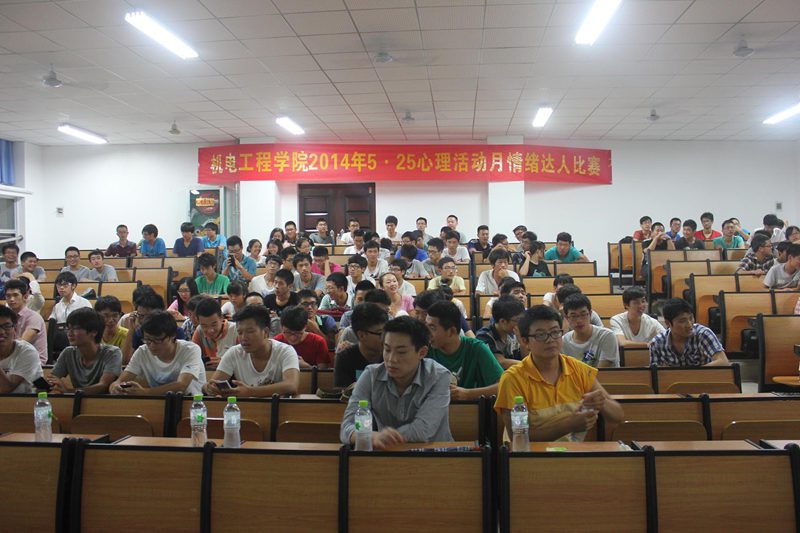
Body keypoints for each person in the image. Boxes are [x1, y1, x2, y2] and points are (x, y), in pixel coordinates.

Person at [494, 305, 624, 442]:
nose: (550, 339)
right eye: (541, 335)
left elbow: (618, 416)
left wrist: (601, 402)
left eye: (555, 332)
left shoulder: (579, 370)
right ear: (525, 341)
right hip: (530, 454)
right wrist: (569, 425)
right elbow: (518, 435)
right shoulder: (513, 378)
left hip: (572, 453)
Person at [340, 316, 453, 449]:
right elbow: (347, 428)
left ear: (422, 352)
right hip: (388, 453)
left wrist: (381, 437)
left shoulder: (439, 377)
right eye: (387, 350)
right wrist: (371, 437)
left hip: (435, 454)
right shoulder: (371, 375)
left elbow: (422, 431)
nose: (391, 359)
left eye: (401, 352)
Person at [203, 305, 300, 397]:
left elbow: (291, 385)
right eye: (240, 332)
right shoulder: (234, 353)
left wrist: (250, 392)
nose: (243, 338)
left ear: (265, 332)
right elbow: (212, 383)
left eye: (250, 332)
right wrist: (210, 388)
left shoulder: (285, 351)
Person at [110, 311, 206, 395]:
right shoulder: (142, 352)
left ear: (172, 335)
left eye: (158, 340)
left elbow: (181, 385)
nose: (152, 346)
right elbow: (120, 381)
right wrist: (115, 387)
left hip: (193, 404)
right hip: (157, 405)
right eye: (147, 340)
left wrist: (146, 392)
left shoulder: (190, 349)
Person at [425, 300, 503, 400]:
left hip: (470, 410)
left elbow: (502, 385)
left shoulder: (476, 348)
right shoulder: (424, 350)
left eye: (432, 328)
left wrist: (468, 394)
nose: (426, 332)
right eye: (426, 326)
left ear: (451, 331)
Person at [47, 308, 121, 393]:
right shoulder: (68, 352)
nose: (69, 333)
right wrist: (50, 383)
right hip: (77, 399)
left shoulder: (112, 352)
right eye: (68, 329)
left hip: (105, 401)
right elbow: (53, 378)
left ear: (93, 332)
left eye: (75, 328)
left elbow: (103, 386)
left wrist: (68, 391)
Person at [649, 298, 729, 367]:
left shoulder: (703, 334)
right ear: (668, 323)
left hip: (703, 379)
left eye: (691, 318)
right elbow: (655, 373)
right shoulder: (657, 342)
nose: (689, 324)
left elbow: (723, 362)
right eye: (682, 321)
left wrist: (691, 375)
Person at [334, 302, 388, 387]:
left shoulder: (390, 356)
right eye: (380, 333)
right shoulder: (345, 358)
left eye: (386, 332)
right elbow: (344, 392)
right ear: (361, 335)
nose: (385, 338)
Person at [560, 294, 619, 368]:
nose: (579, 320)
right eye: (573, 316)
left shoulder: (606, 336)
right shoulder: (563, 342)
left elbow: (602, 371)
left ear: (590, 314)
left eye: (583, 314)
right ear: (567, 318)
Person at [0, 306, 43, 393]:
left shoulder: (27, 351)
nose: (1, 332)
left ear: (15, 329)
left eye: (7, 326)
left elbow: (6, 389)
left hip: (25, 401)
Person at [4, 279, 46, 364]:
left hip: (34, 363)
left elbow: (22, 344)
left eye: (15, 295)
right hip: (11, 361)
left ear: (25, 296)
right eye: (8, 296)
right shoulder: (6, 318)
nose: (11, 299)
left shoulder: (34, 317)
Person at [476, 295, 524, 369]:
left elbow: (525, 357)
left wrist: (522, 342)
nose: (520, 324)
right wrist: (527, 365)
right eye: (517, 320)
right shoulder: (484, 336)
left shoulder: (514, 333)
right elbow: (500, 362)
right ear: (502, 321)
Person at [192, 297, 239, 368]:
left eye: (214, 324)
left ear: (221, 318)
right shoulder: (199, 331)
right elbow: (192, 358)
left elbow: (246, 361)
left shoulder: (236, 331)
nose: (210, 330)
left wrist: (226, 363)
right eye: (204, 326)